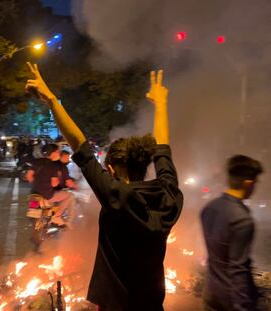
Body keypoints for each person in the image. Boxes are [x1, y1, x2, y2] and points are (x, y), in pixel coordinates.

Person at [26, 63, 183, 310]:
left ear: (111, 169)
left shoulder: (116, 196)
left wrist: (52, 101)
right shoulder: (169, 195)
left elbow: (80, 146)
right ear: (145, 163)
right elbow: (164, 149)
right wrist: (161, 105)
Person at [200, 155, 264, 311]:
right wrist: (242, 306)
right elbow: (238, 270)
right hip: (230, 301)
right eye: (255, 183)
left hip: (210, 294)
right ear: (248, 183)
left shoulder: (209, 209)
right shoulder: (242, 220)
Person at [26, 143, 75, 227]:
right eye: (58, 151)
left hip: (34, 192)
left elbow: (29, 176)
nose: (59, 153)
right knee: (69, 196)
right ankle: (56, 216)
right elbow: (54, 183)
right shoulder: (53, 165)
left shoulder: (37, 161)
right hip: (47, 194)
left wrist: (38, 184)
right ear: (53, 153)